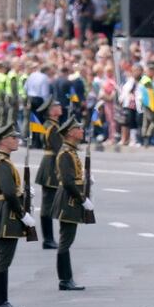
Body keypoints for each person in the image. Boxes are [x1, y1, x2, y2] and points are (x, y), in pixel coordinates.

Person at [0, 125, 36, 307]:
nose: (17, 140)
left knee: (5, 258)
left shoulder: (5, 162)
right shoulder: (1, 163)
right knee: (4, 259)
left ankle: (2, 301)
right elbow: (8, 192)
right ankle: (0, 302)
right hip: (7, 213)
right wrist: (23, 214)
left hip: (7, 211)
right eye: (13, 138)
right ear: (3, 141)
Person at [52, 117, 95, 291]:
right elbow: (68, 182)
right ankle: (65, 279)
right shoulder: (65, 153)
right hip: (68, 201)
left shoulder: (70, 151)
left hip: (71, 200)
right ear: (70, 132)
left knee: (66, 241)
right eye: (79, 128)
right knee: (65, 241)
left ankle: (66, 279)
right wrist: (83, 199)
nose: (82, 131)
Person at [34, 98, 63, 249]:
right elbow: (59, 149)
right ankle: (48, 239)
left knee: (49, 204)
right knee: (47, 205)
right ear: (50, 111)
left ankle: (49, 239)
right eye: (56, 106)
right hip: (51, 166)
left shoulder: (52, 125)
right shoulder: (52, 127)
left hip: (50, 163)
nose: (59, 107)